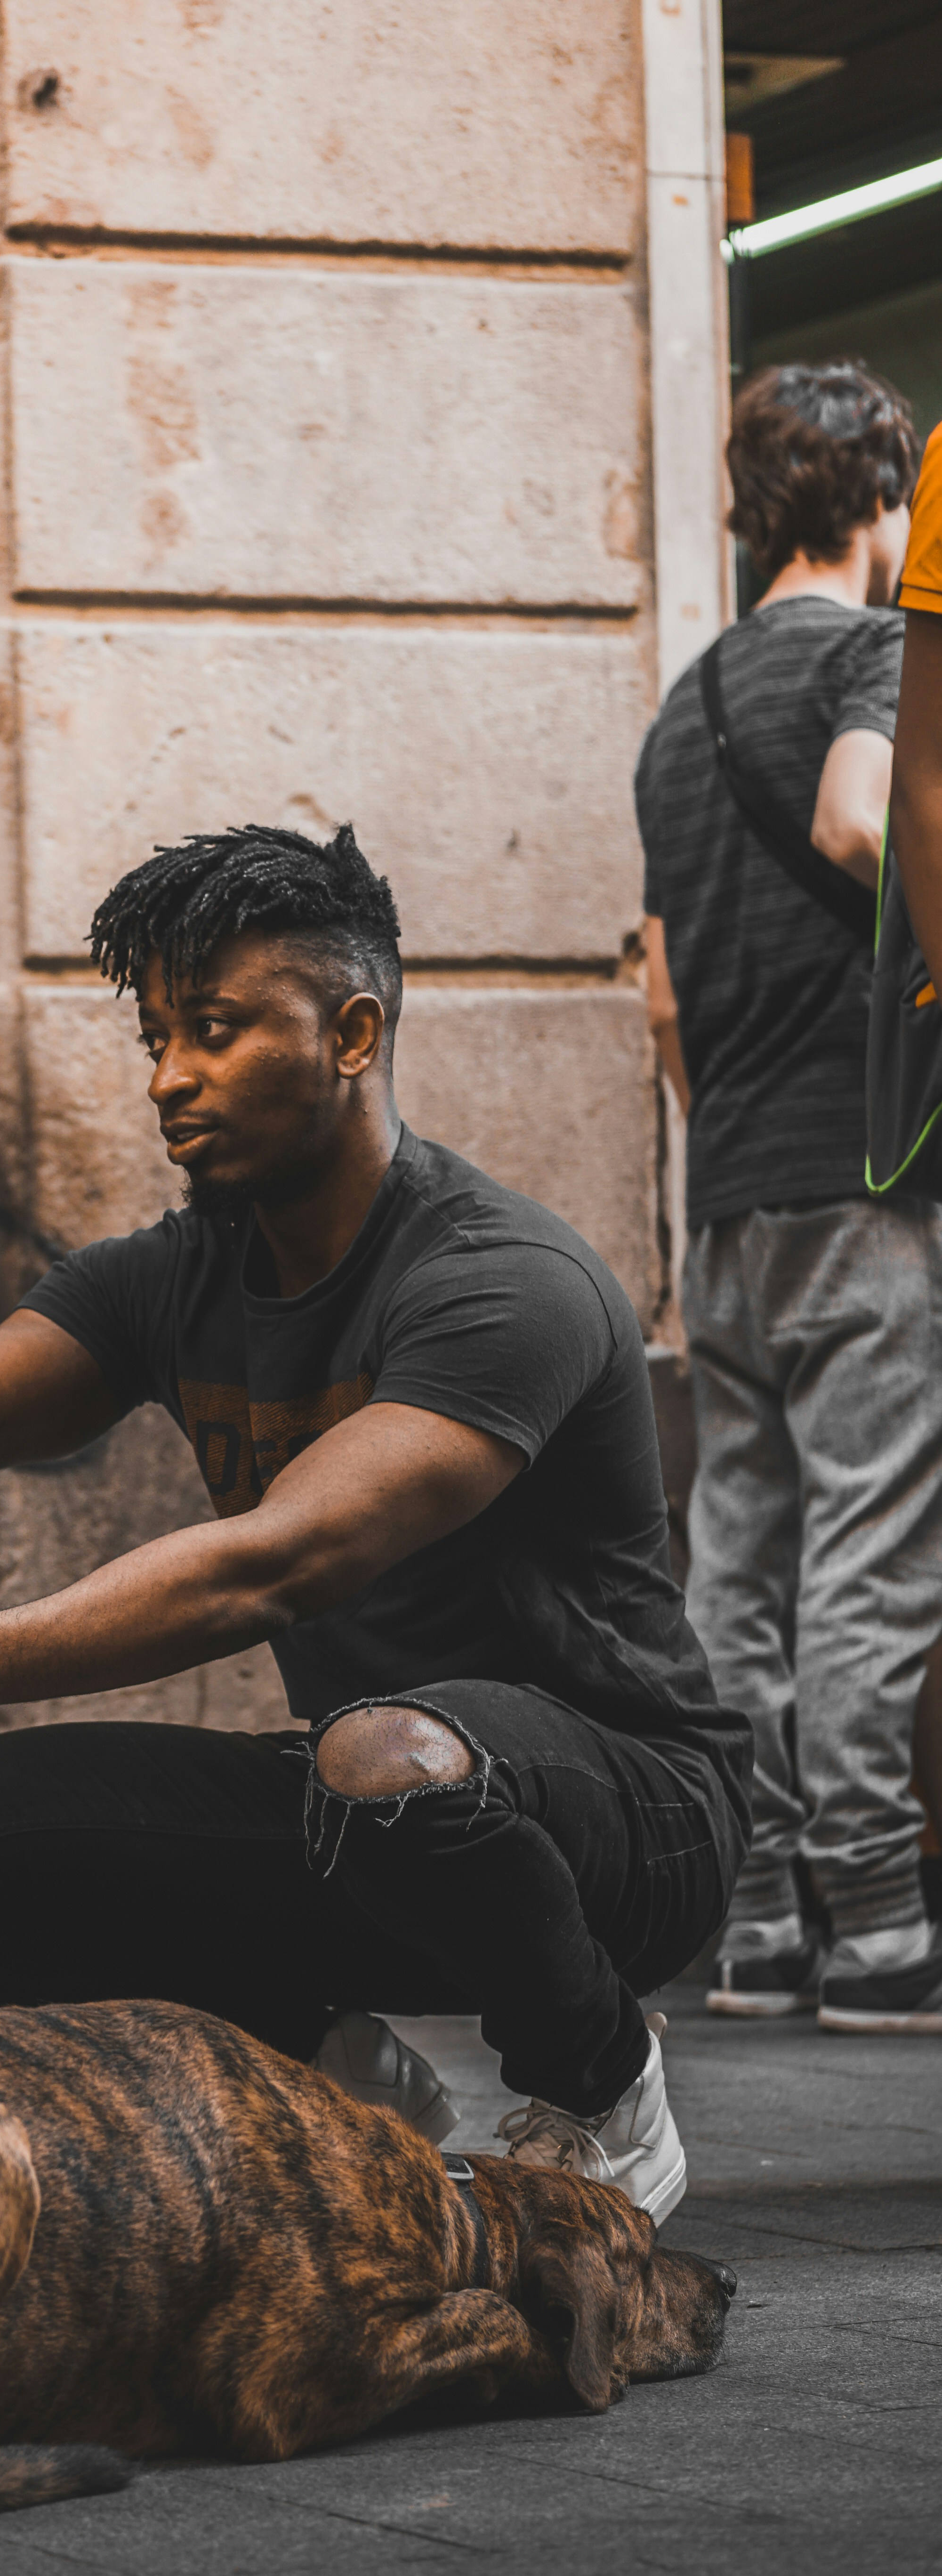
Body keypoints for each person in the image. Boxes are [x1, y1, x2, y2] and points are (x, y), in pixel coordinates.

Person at [0, 823, 750, 2223]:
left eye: (213, 1031)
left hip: (630, 1827)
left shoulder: (502, 1278)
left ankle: (599, 2093)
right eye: (157, 1036)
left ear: (352, 1031)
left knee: (385, 1756)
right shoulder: (176, 1274)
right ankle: (341, 2083)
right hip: (364, 1801)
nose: (168, 1078)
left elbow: (281, 1560)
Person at [635, 360, 942, 2032]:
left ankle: (753, 1923)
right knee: (876, 1564)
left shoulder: (678, 718)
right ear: (884, 502)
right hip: (867, 1187)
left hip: (734, 1199)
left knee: (734, 1577)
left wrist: (729, 1149)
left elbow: (667, 1001)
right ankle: (885, 1932)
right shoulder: (883, 652)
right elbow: (849, 818)